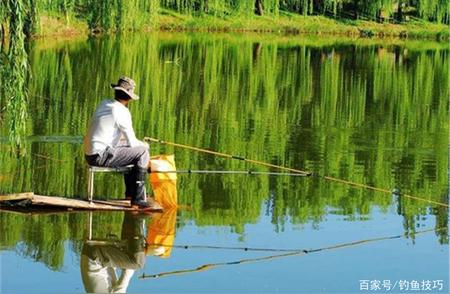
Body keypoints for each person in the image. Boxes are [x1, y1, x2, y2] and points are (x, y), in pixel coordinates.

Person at [84, 76, 150, 208]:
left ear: (115, 92)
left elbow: (114, 136)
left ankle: (130, 194)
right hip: (100, 156)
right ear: (129, 97)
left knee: (133, 151)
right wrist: (145, 145)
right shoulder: (122, 112)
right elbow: (133, 143)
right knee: (142, 152)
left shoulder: (104, 104)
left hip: (89, 154)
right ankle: (137, 199)